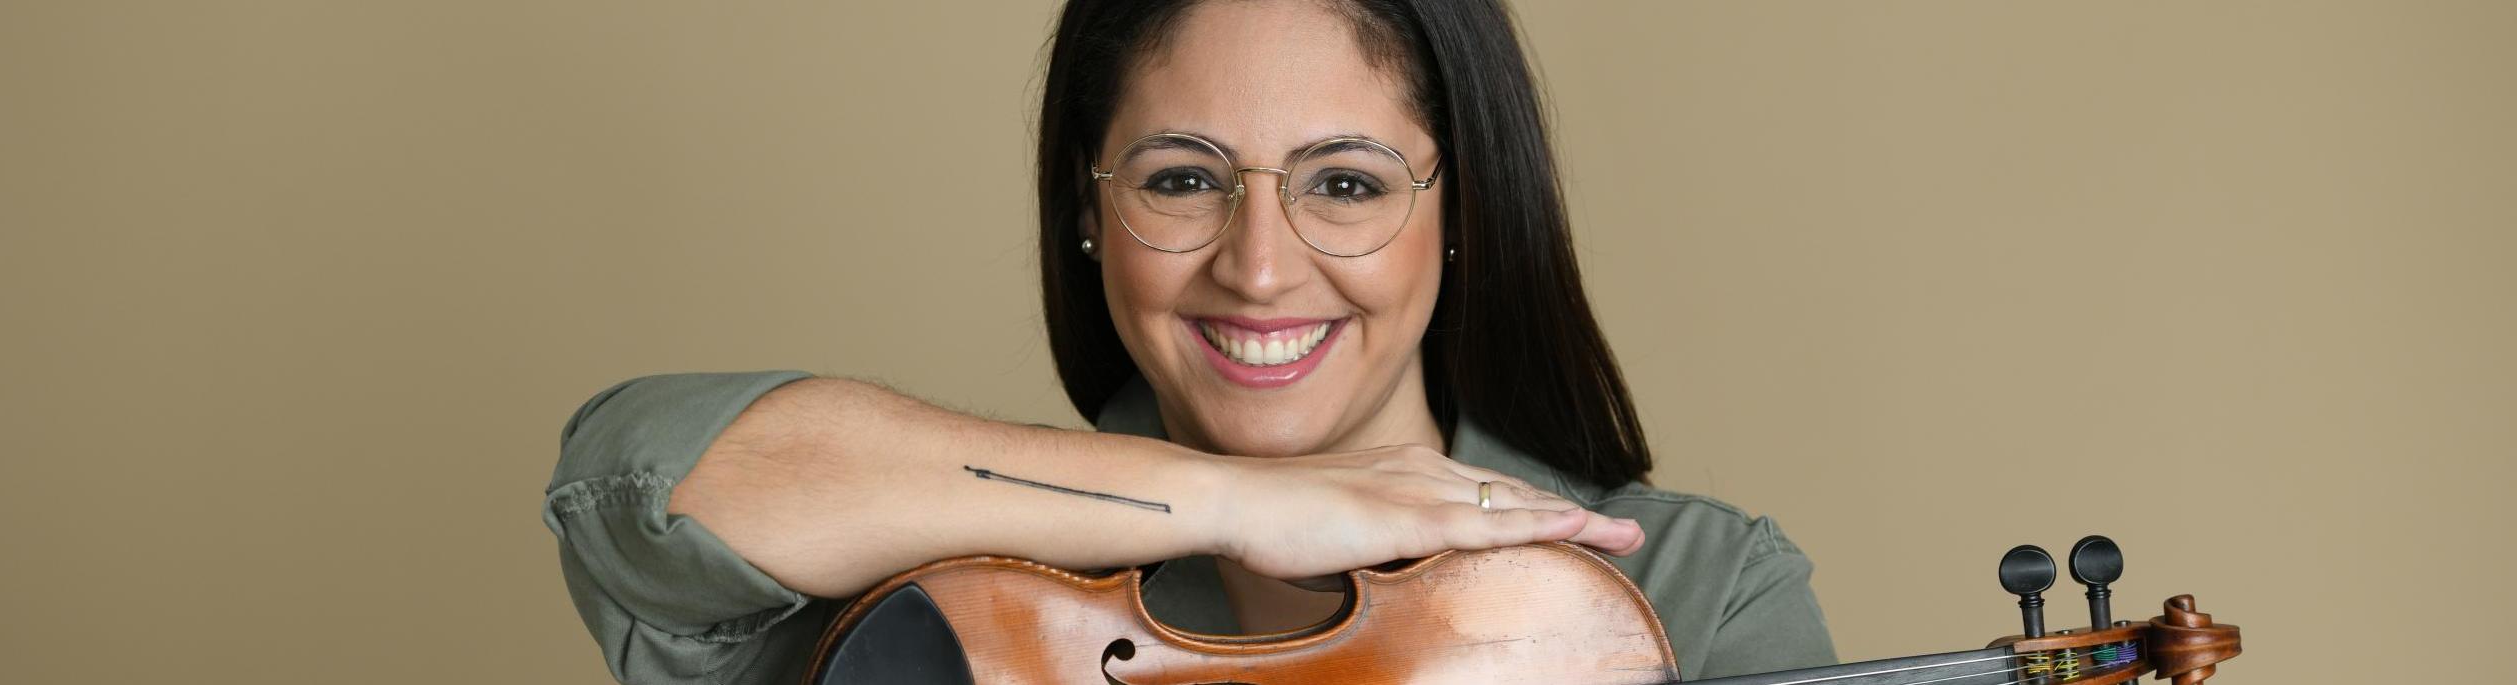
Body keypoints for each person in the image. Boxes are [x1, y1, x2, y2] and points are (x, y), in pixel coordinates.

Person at [541, 1, 1837, 682]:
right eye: (1178, 179)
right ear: (1087, 211)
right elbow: (647, 480)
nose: (1258, 267)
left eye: (1345, 181)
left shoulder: (1697, 588)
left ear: (1466, 212)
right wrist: (1238, 501)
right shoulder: (955, 607)